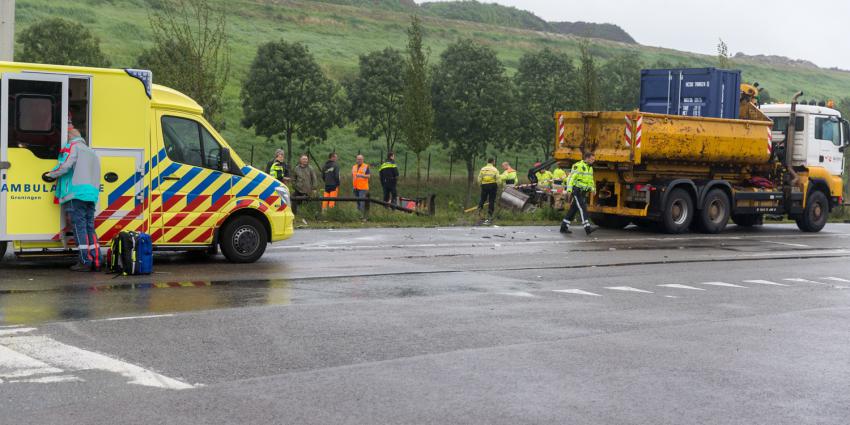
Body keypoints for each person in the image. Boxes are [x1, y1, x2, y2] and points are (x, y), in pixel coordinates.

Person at [44, 123, 102, 272]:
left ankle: (84, 261)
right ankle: (96, 259)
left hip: (76, 194)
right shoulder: (91, 151)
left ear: (70, 136)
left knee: (79, 227)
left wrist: (50, 174)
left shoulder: (74, 147)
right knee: (89, 227)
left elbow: (65, 165)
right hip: (91, 195)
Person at [560, 152, 598, 236]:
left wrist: (593, 189)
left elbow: (590, 180)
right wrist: (569, 190)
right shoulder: (578, 166)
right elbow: (571, 178)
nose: (593, 161)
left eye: (594, 160)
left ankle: (563, 227)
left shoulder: (590, 168)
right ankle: (587, 228)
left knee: (573, 209)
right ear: (587, 158)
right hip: (577, 191)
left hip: (583, 192)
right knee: (583, 208)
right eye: (592, 159)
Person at [477, 158, 500, 224]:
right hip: (493, 185)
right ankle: (490, 216)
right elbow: (498, 178)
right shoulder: (495, 169)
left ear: (487, 162)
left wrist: (480, 185)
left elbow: (479, 178)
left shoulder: (483, 169)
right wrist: (498, 185)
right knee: (491, 200)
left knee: (482, 199)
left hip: (484, 185)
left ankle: (479, 213)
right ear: (493, 162)